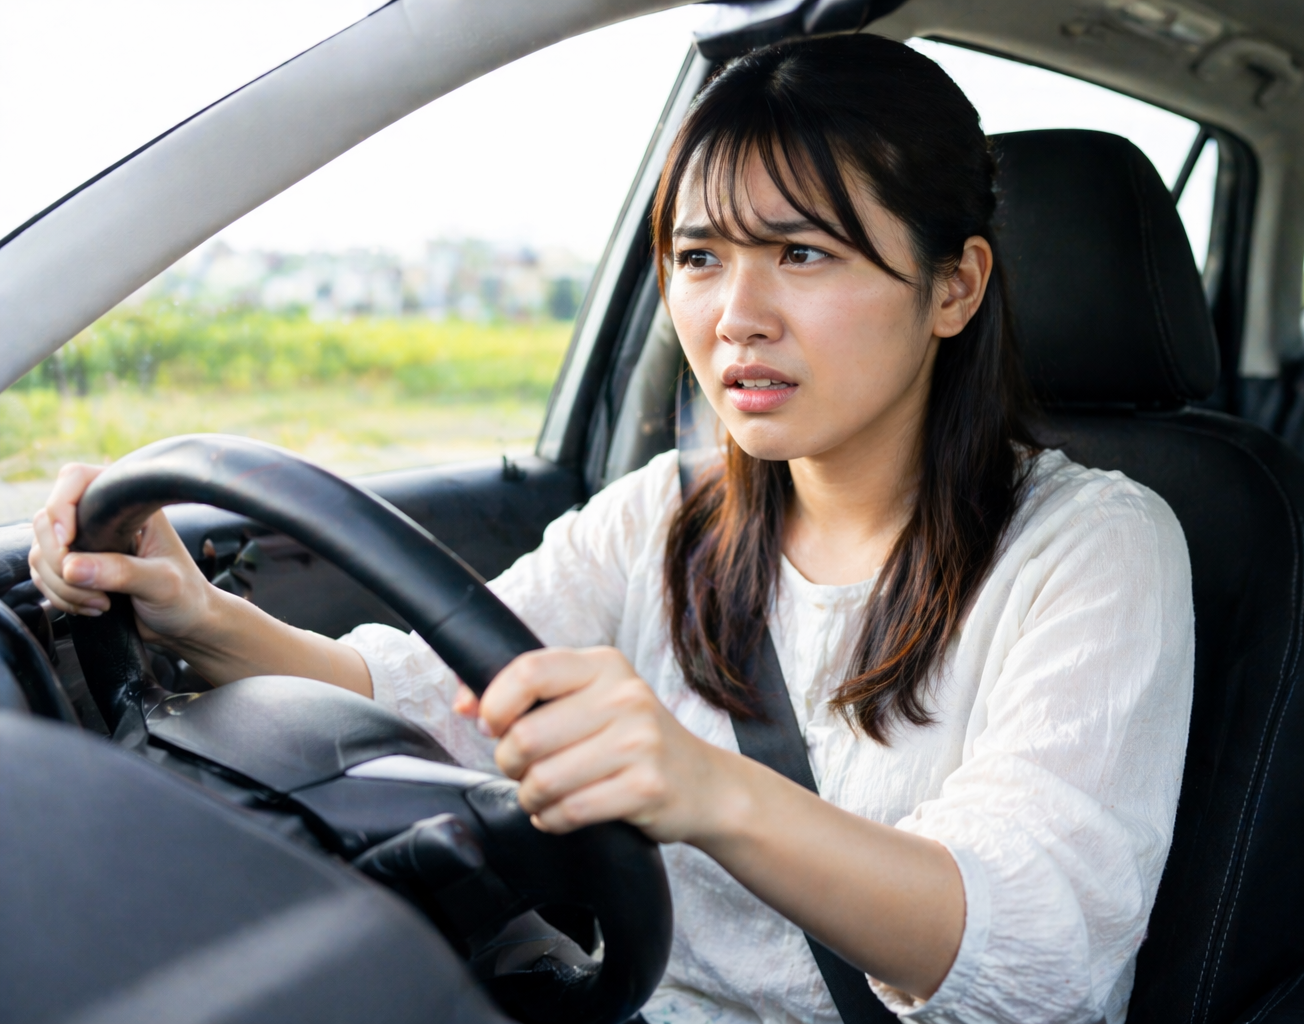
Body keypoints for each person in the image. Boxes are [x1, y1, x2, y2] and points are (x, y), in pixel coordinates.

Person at [28, 33, 1194, 1024]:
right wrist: (199, 616)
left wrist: (712, 791)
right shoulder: (667, 518)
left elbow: (1044, 953)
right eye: (699, 258)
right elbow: (438, 701)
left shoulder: (1093, 549)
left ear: (954, 286)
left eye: (802, 253)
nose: (736, 315)